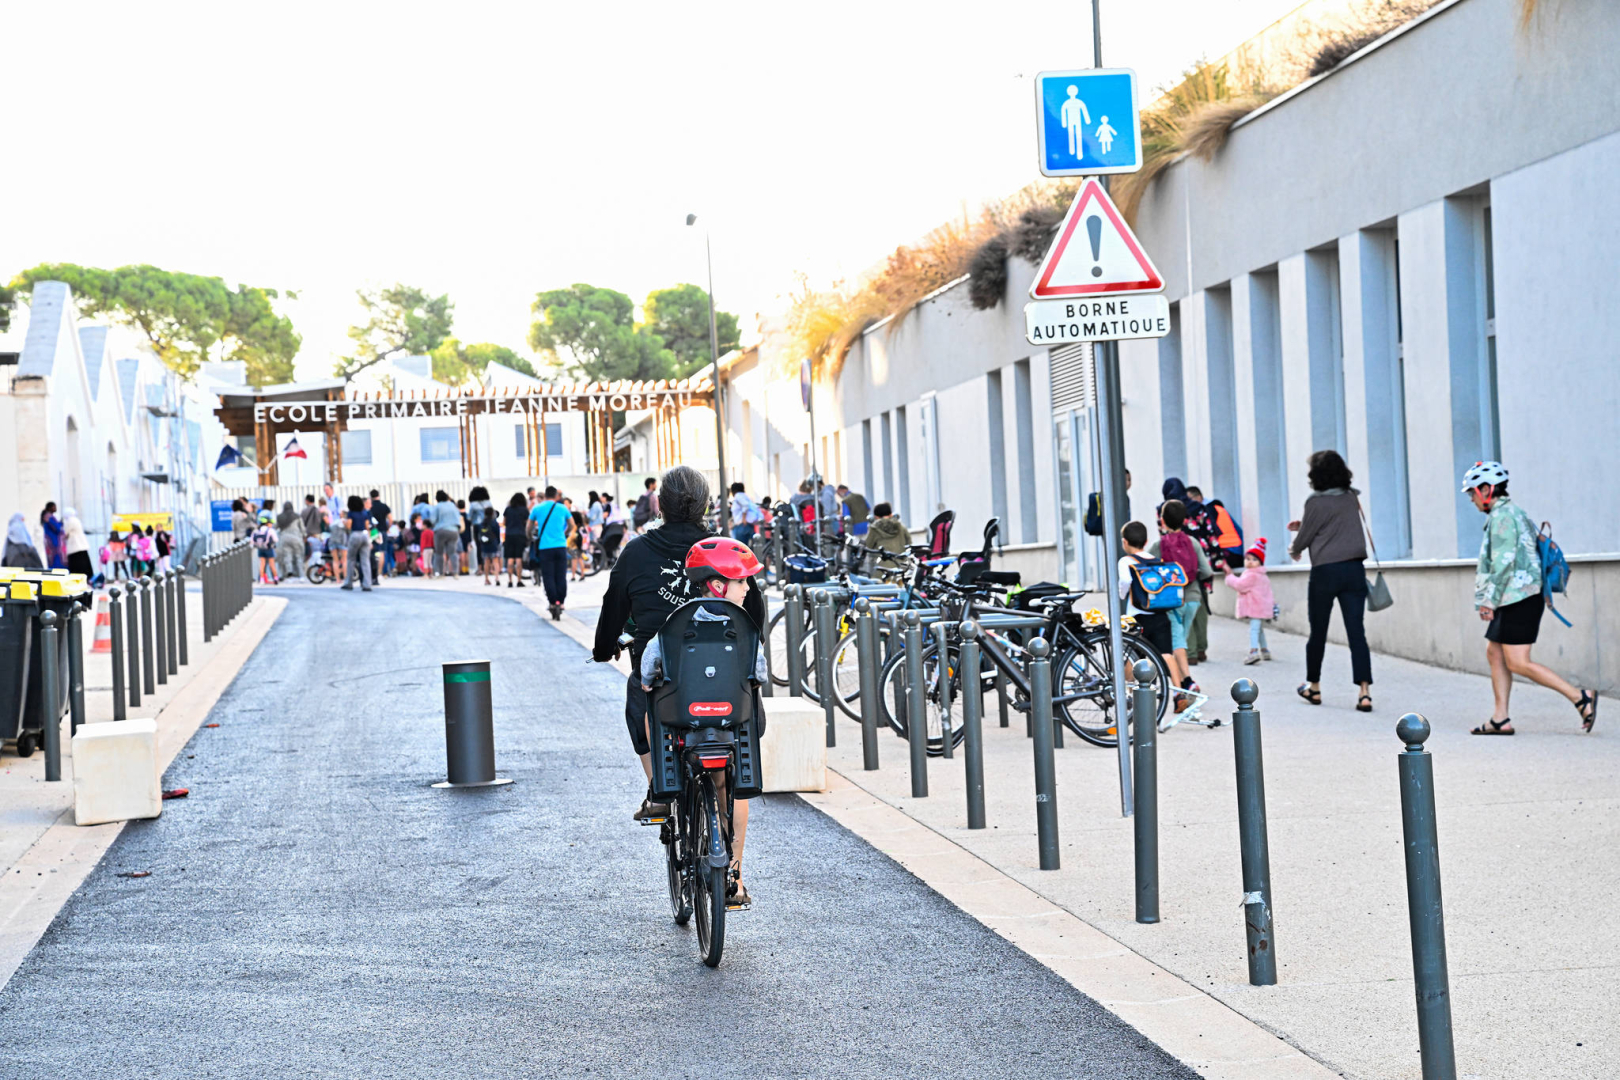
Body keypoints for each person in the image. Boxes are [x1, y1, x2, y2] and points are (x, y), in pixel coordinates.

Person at [593, 466, 766, 821]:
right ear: (706, 506)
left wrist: (603, 648)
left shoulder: (637, 552)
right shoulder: (725, 552)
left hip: (664, 688)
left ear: (659, 504)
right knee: (730, 780)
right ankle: (736, 872)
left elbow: (613, 609)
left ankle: (659, 787)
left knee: (637, 699)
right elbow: (755, 617)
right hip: (726, 684)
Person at [639, 536, 768, 906]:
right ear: (717, 584)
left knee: (655, 718)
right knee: (731, 785)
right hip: (731, 726)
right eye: (741, 580)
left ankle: (669, 794)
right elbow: (758, 674)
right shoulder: (744, 628)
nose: (747, 588)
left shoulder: (675, 625)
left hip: (685, 724)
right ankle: (736, 875)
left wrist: (651, 683)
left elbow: (649, 670)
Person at [1462, 461, 1596, 735]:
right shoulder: (1512, 513)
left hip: (1519, 597)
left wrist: (1489, 600)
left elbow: (1503, 563)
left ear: (1487, 489)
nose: (1471, 499)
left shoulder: (1503, 517)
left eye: (1473, 493)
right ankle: (1500, 718)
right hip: (1517, 595)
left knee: (1518, 661)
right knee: (1495, 652)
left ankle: (1580, 697)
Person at [1288, 450, 1373, 712]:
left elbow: (1307, 536)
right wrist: (1306, 525)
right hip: (1353, 570)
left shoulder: (1314, 502)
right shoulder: (1351, 498)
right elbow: (1337, 523)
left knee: (1318, 632)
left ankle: (1313, 687)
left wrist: (1295, 548)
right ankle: (1364, 692)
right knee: (1356, 631)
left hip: (1325, 573)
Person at [1118, 520, 1185, 706]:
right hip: (1159, 614)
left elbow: (1124, 581)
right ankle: (1179, 694)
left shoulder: (1125, 561)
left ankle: (1129, 694)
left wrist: (1121, 594)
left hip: (1137, 617)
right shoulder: (1155, 560)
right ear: (1146, 541)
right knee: (1166, 654)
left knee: (1132, 656)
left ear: (1125, 542)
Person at [1151, 500, 1206, 696]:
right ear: (1185, 520)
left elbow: (1147, 568)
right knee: (1181, 636)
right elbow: (1206, 570)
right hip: (1193, 598)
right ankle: (1184, 680)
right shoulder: (1193, 542)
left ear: (1162, 521)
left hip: (1172, 600)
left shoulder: (1159, 545)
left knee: (1177, 640)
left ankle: (1187, 682)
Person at [1182, 484, 1219, 663]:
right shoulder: (1202, 511)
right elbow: (1212, 538)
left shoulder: (1171, 512)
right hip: (1202, 567)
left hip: (1180, 573)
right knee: (1201, 608)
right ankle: (1201, 649)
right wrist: (1219, 563)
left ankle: (1192, 652)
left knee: (1187, 610)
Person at [1225, 539, 1276, 665]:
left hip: (1255, 607)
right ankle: (1265, 650)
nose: (1250, 562)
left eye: (1254, 559)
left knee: (1254, 630)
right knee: (1259, 629)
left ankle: (1253, 652)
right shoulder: (1262, 575)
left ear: (1260, 562)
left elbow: (1240, 585)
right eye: (1248, 558)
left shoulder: (1252, 575)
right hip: (1261, 607)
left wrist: (1229, 576)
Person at [528, 485, 575, 611]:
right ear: (556, 496)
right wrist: (565, 533)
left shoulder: (537, 508)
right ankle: (562, 602)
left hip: (545, 547)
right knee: (561, 574)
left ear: (545, 495)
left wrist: (530, 536)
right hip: (560, 546)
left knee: (548, 575)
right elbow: (572, 524)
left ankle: (553, 602)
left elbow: (529, 526)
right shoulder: (562, 508)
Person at [341, 495, 374, 592]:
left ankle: (349, 582)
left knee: (351, 559)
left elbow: (349, 526)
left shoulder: (351, 513)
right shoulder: (365, 513)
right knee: (365, 561)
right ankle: (367, 584)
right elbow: (367, 526)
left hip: (355, 535)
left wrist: (344, 522)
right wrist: (369, 539)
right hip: (365, 535)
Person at [430, 490, 460, 577]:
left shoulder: (437, 507)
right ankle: (455, 572)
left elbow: (432, 520)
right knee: (452, 552)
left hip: (441, 530)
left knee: (439, 553)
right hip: (454, 530)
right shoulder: (452, 505)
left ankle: (439, 572)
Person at [501, 493, 529, 587]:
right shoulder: (524, 510)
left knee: (510, 558)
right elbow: (527, 522)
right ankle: (519, 580)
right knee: (518, 558)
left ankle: (510, 581)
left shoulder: (508, 509)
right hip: (520, 535)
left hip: (509, 535)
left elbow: (504, 522)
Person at [324, 482, 349, 584]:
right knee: (337, 557)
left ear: (332, 489)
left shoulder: (337, 499)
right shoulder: (328, 501)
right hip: (334, 529)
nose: (326, 492)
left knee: (343, 557)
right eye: (325, 490)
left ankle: (344, 578)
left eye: (327, 490)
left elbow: (340, 513)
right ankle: (339, 579)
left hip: (337, 528)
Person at [276, 502, 304, 581]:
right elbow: (302, 528)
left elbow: (276, 526)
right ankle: (301, 575)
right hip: (296, 538)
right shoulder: (297, 516)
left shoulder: (279, 517)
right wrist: (304, 535)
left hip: (284, 538)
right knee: (298, 556)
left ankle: (289, 574)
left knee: (287, 557)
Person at [63, 508, 93, 578]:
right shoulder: (76, 520)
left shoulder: (70, 521)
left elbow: (65, 532)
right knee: (84, 562)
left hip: (75, 545)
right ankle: (88, 577)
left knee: (76, 564)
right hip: (81, 544)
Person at [251, 511, 280, 585]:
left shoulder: (256, 530)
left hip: (260, 548)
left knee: (262, 564)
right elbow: (276, 539)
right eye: (270, 523)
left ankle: (261, 579)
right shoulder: (270, 530)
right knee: (272, 564)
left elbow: (252, 540)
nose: (271, 524)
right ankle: (276, 578)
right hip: (269, 548)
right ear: (267, 523)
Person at [40, 504, 66, 569]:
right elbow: (57, 528)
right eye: (54, 507)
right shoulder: (49, 517)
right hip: (54, 542)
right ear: (50, 508)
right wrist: (61, 523)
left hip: (50, 541)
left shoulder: (47, 516)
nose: (55, 508)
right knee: (56, 561)